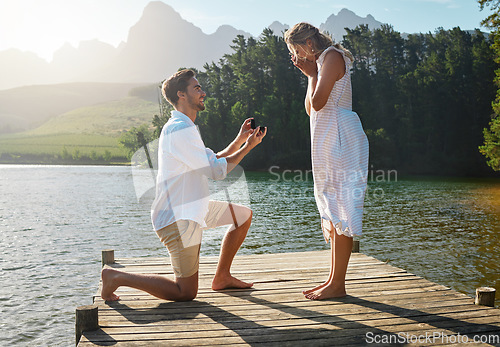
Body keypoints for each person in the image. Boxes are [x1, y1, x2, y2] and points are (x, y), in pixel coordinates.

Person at [101, 69, 266, 302]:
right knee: (185, 291)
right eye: (197, 88)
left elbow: (213, 159)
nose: (203, 92)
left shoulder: (185, 128)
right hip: (178, 218)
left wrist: (240, 139)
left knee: (243, 216)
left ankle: (222, 277)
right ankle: (115, 277)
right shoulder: (180, 129)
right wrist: (249, 147)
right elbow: (216, 172)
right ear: (181, 95)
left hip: (193, 209)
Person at [284, 23, 369, 300]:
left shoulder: (332, 56)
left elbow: (320, 103)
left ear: (308, 43)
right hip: (328, 138)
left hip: (341, 138)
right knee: (332, 208)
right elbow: (310, 108)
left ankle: (338, 284)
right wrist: (310, 75)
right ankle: (333, 280)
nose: (299, 56)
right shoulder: (321, 63)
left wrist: (314, 72)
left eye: (297, 50)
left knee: (342, 206)